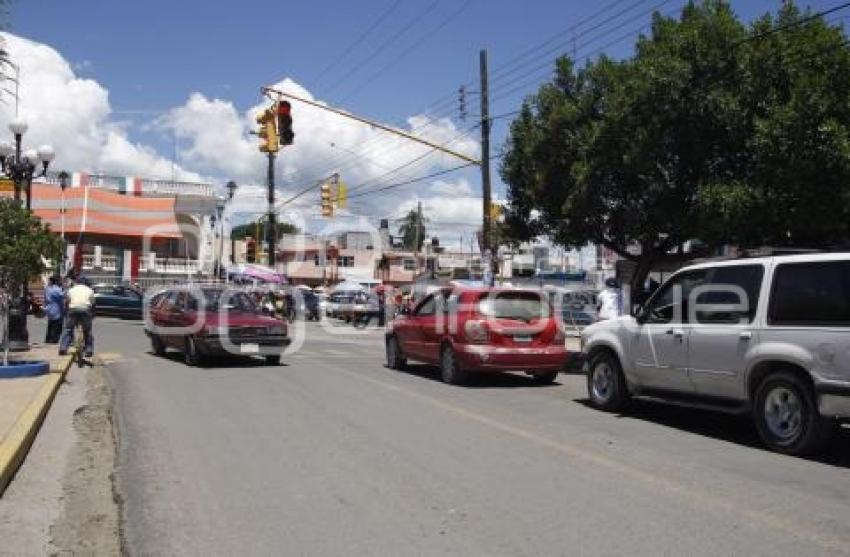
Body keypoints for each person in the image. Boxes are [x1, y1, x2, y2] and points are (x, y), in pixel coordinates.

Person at [59, 276, 95, 357]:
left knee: (68, 329)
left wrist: (67, 311)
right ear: (86, 283)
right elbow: (92, 303)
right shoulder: (90, 290)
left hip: (73, 310)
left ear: (77, 282)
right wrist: (92, 314)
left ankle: (63, 348)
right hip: (85, 310)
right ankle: (89, 350)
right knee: (87, 331)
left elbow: (67, 301)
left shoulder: (71, 290)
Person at [43, 275, 65, 344]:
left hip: (49, 309)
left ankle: (48, 340)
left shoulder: (47, 289)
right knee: (57, 327)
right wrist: (65, 288)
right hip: (57, 310)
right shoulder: (56, 289)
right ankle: (53, 341)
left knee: (50, 326)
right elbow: (63, 295)